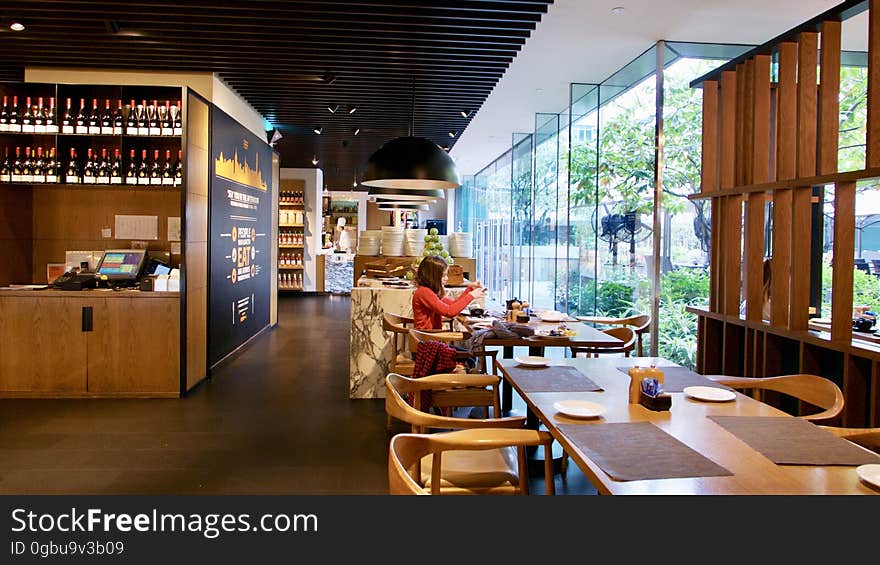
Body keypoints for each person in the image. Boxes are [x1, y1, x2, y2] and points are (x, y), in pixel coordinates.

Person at [412, 255, 485, 331]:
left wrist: (470, 289)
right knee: (471, 338)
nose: (446, 278)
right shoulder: (424, 292)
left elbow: (452, 304)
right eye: (443, 276)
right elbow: (450, 312)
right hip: (426, 338)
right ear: (433, 277)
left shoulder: (428, 291)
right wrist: (471, 296)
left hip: (430, 336)